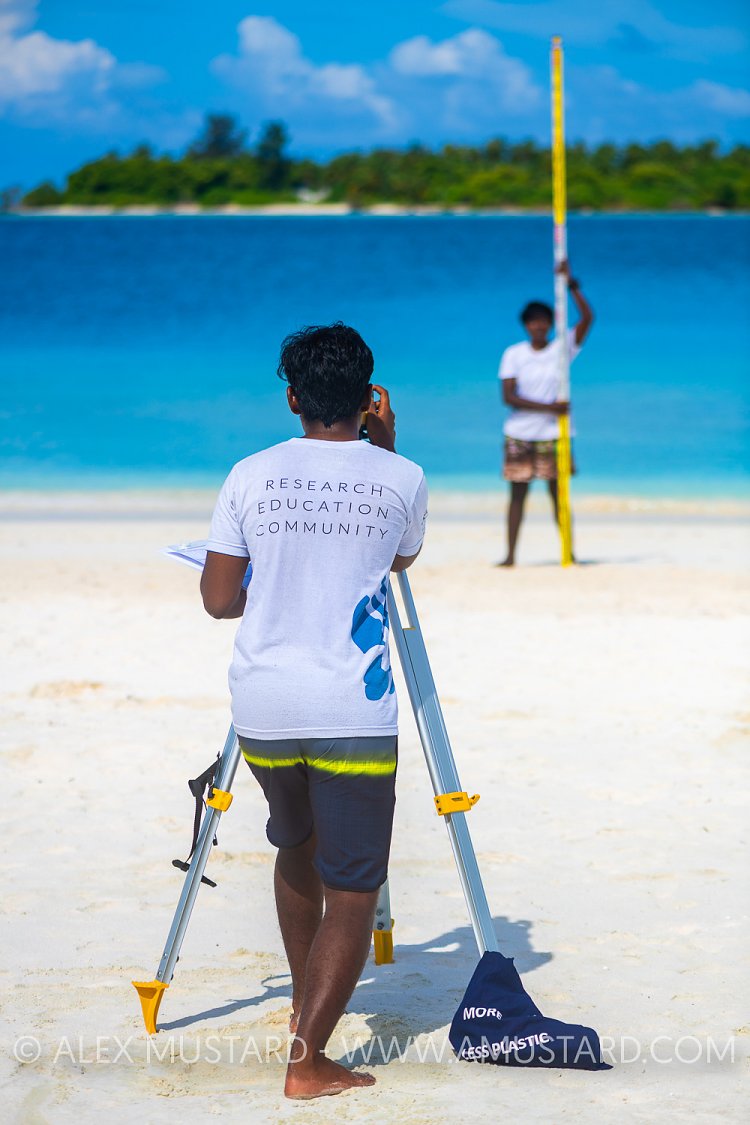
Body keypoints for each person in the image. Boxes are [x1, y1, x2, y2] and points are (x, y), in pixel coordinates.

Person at [200, 323, 428, 1099]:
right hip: (350, 708)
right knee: (355, 883)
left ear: (292, 397)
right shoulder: (403, 476)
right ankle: (307, 1059)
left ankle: (307, 1012)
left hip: (264, 705)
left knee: (295, 846)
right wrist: (388, 450)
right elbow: (395, 558)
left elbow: (219, 598)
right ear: (369, 400)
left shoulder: (248, 474)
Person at [498, 261, 593, 566]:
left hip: (554, 434)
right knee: (518, 497)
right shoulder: (514, 354)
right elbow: (509, 397)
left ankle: (569, 553)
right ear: (526, 325)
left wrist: (572, 286)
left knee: (559, 497)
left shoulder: (561, 350)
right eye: (533, 322)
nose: (538, 326)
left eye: (543, 322)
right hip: (520, 434)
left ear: (550, 324)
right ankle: (510, 556)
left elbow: (588, 318)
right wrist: (549, 407)